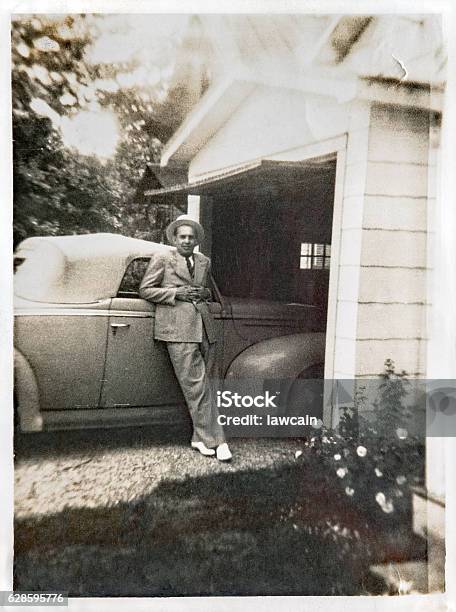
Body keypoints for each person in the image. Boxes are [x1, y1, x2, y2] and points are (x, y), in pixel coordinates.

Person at [139, 215, 232, 462]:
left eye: (191, 237)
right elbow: (146, 290)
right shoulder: (163, 259)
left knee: (208, 384)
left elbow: (207, 291)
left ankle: (198, 438)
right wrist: (176, 293)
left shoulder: (203, 261)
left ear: (196, 240)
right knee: (196, 385)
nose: (187, 241)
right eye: (183, 237)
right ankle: (217, 441)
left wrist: (204, 292)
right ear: (175, 238)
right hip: (177, 328)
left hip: (205, 327)